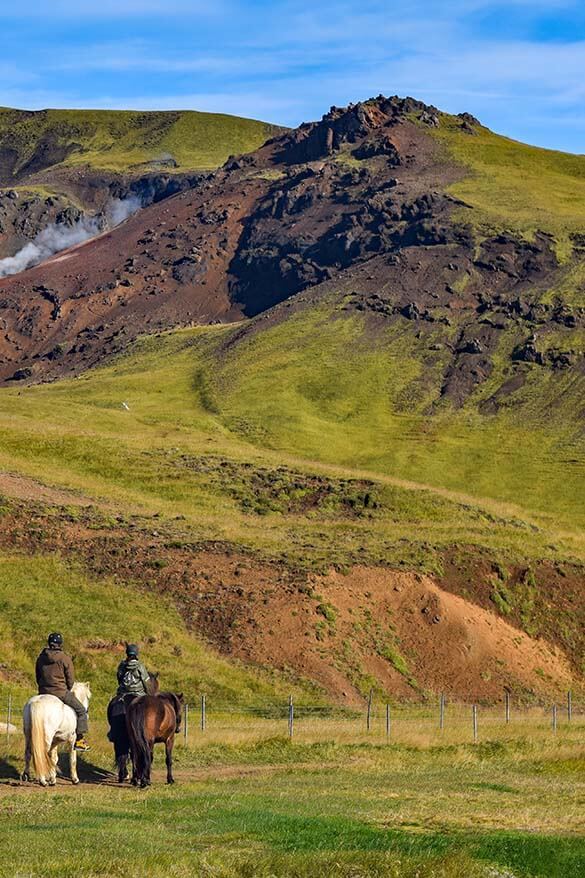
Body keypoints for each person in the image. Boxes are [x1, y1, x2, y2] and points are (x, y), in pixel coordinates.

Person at [35, 632, 90, 751]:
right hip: (60, 692)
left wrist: (43, 687)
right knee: (81, 711)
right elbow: (70, 679)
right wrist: (67, 689)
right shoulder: (65, 658)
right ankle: (79, 740)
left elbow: (38, 676)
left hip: (43, 692)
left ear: (49, 643)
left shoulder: (41, 657)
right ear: (60, 644)